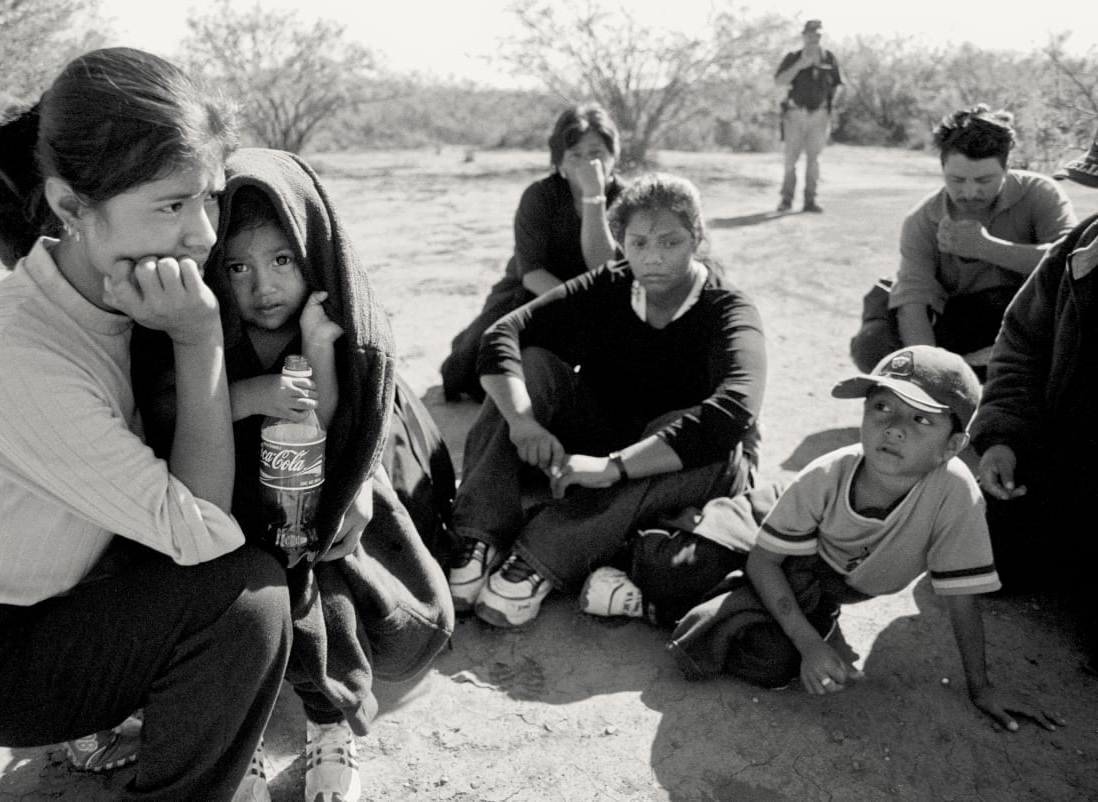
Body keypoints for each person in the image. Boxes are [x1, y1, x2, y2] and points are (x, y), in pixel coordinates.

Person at [0, 48, 291, 802]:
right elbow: (202, 532)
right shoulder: (14, 356)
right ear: (71, 205)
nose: (205, 236)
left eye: (209, 198)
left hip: (81, 592)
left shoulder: (121, 292)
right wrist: (197, 339)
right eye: (171, 205)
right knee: (246, 599)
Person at [133, 148, 455, 802]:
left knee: (320, 580)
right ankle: (240, 735)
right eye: (239, 267)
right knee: (227, 599)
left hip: (315, 500)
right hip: (219, 505)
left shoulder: (338, 320)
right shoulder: (202, 326)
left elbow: (335, 430)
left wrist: (318, 349)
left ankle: (327, 719)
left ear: (312, 249)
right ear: (212, 269)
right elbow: (165, 408)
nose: (264, 287)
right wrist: (250, 395)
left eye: (283, 260)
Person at [659, 346, 1062, 733]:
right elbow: (764, 561)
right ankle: (662, 578)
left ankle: (719, 603)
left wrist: (981, 688)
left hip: (816, 575)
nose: (894, 429)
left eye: (922, 420)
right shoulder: (826, 473)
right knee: (672, 565)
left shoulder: (955, 495)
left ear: (952, 446)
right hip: (768, 520)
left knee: (771, 660)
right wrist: (811, 643)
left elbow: (961, 597)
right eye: (882, 407)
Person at [447, 173, 765, 628]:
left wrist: (614, 467)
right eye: (637, 243)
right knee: (533, 365)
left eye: (670, 242)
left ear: (697, 238)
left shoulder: (727, 308)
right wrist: (525, 423)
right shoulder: (610, 284)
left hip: (671, 463)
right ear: (620, 241)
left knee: (717, 445)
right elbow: (504, 334)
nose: (652, 257)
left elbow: (735, 407)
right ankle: (477, 534)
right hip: (600, 437)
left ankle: (539, 558)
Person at [969, 133, 1098, 669]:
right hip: (1066, 466)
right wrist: (1002, 438)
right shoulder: (1082, 248)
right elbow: (1021, 345)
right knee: (980, 561)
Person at [849, 106, 1076, 376]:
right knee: (874, 340)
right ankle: (956, 378)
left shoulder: (1041, 193)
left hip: (1028, 321)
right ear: (942, 167)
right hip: (959, 322)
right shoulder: (922, 220)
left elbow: (1071, 265)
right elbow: (914, 303)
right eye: (956, 180)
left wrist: (985, 247)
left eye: (984, 180)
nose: (969, 192)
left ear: (1007, 168)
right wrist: (931, 373)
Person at [440, 103, 625, 401]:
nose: (587, 164)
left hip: (602, 299)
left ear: (614, 156)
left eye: (596, 153)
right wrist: (579, 308)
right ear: (560, 162)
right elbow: (532, 274)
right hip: (533, 294)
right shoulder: (540, 196)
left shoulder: (628, 201)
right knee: (473, 367)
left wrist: (595, 198)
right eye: (575, 155)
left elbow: (605, 268)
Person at [774, 19, 842, 213]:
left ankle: (810, 201)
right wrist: (800, 65)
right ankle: (786, 200)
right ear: (804, 36)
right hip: (795, 114)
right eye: (811, 35)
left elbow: (838, 84)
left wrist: (829, 106)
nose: (814, 38)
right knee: (790, 160)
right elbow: (779, 81)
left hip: (819, 116)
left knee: (814, 160)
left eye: (818, 35)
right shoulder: (793, 57)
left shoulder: (829, 57)